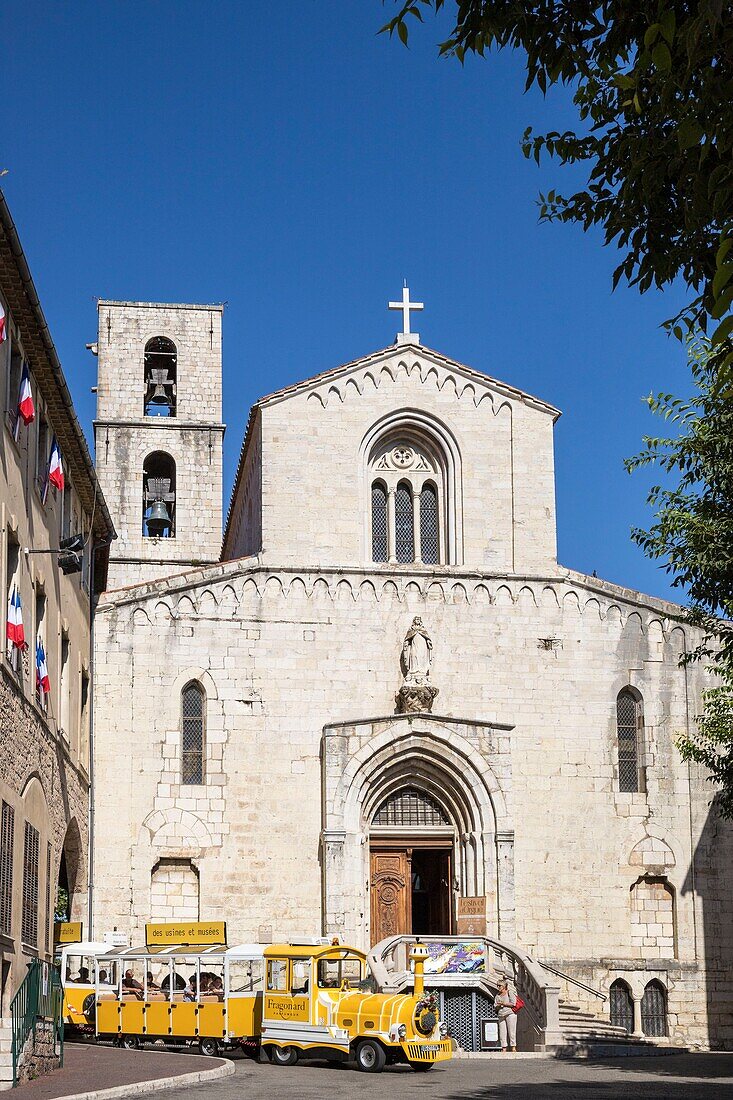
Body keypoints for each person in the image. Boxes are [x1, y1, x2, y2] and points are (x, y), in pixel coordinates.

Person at [494, 978, 517, 1052]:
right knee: (502, 1032)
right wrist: (497, 1005)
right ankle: (504, 1047)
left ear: (504, 986)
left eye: (499, 986)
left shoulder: (510, 992)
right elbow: (495, 1005)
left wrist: (503, 1003)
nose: (498, 987)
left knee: (511, 1031)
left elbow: (513, 1003)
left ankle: (513, 1046)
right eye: (497, 985)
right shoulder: (497, 995)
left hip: (510, 1013)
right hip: (501, 1014)